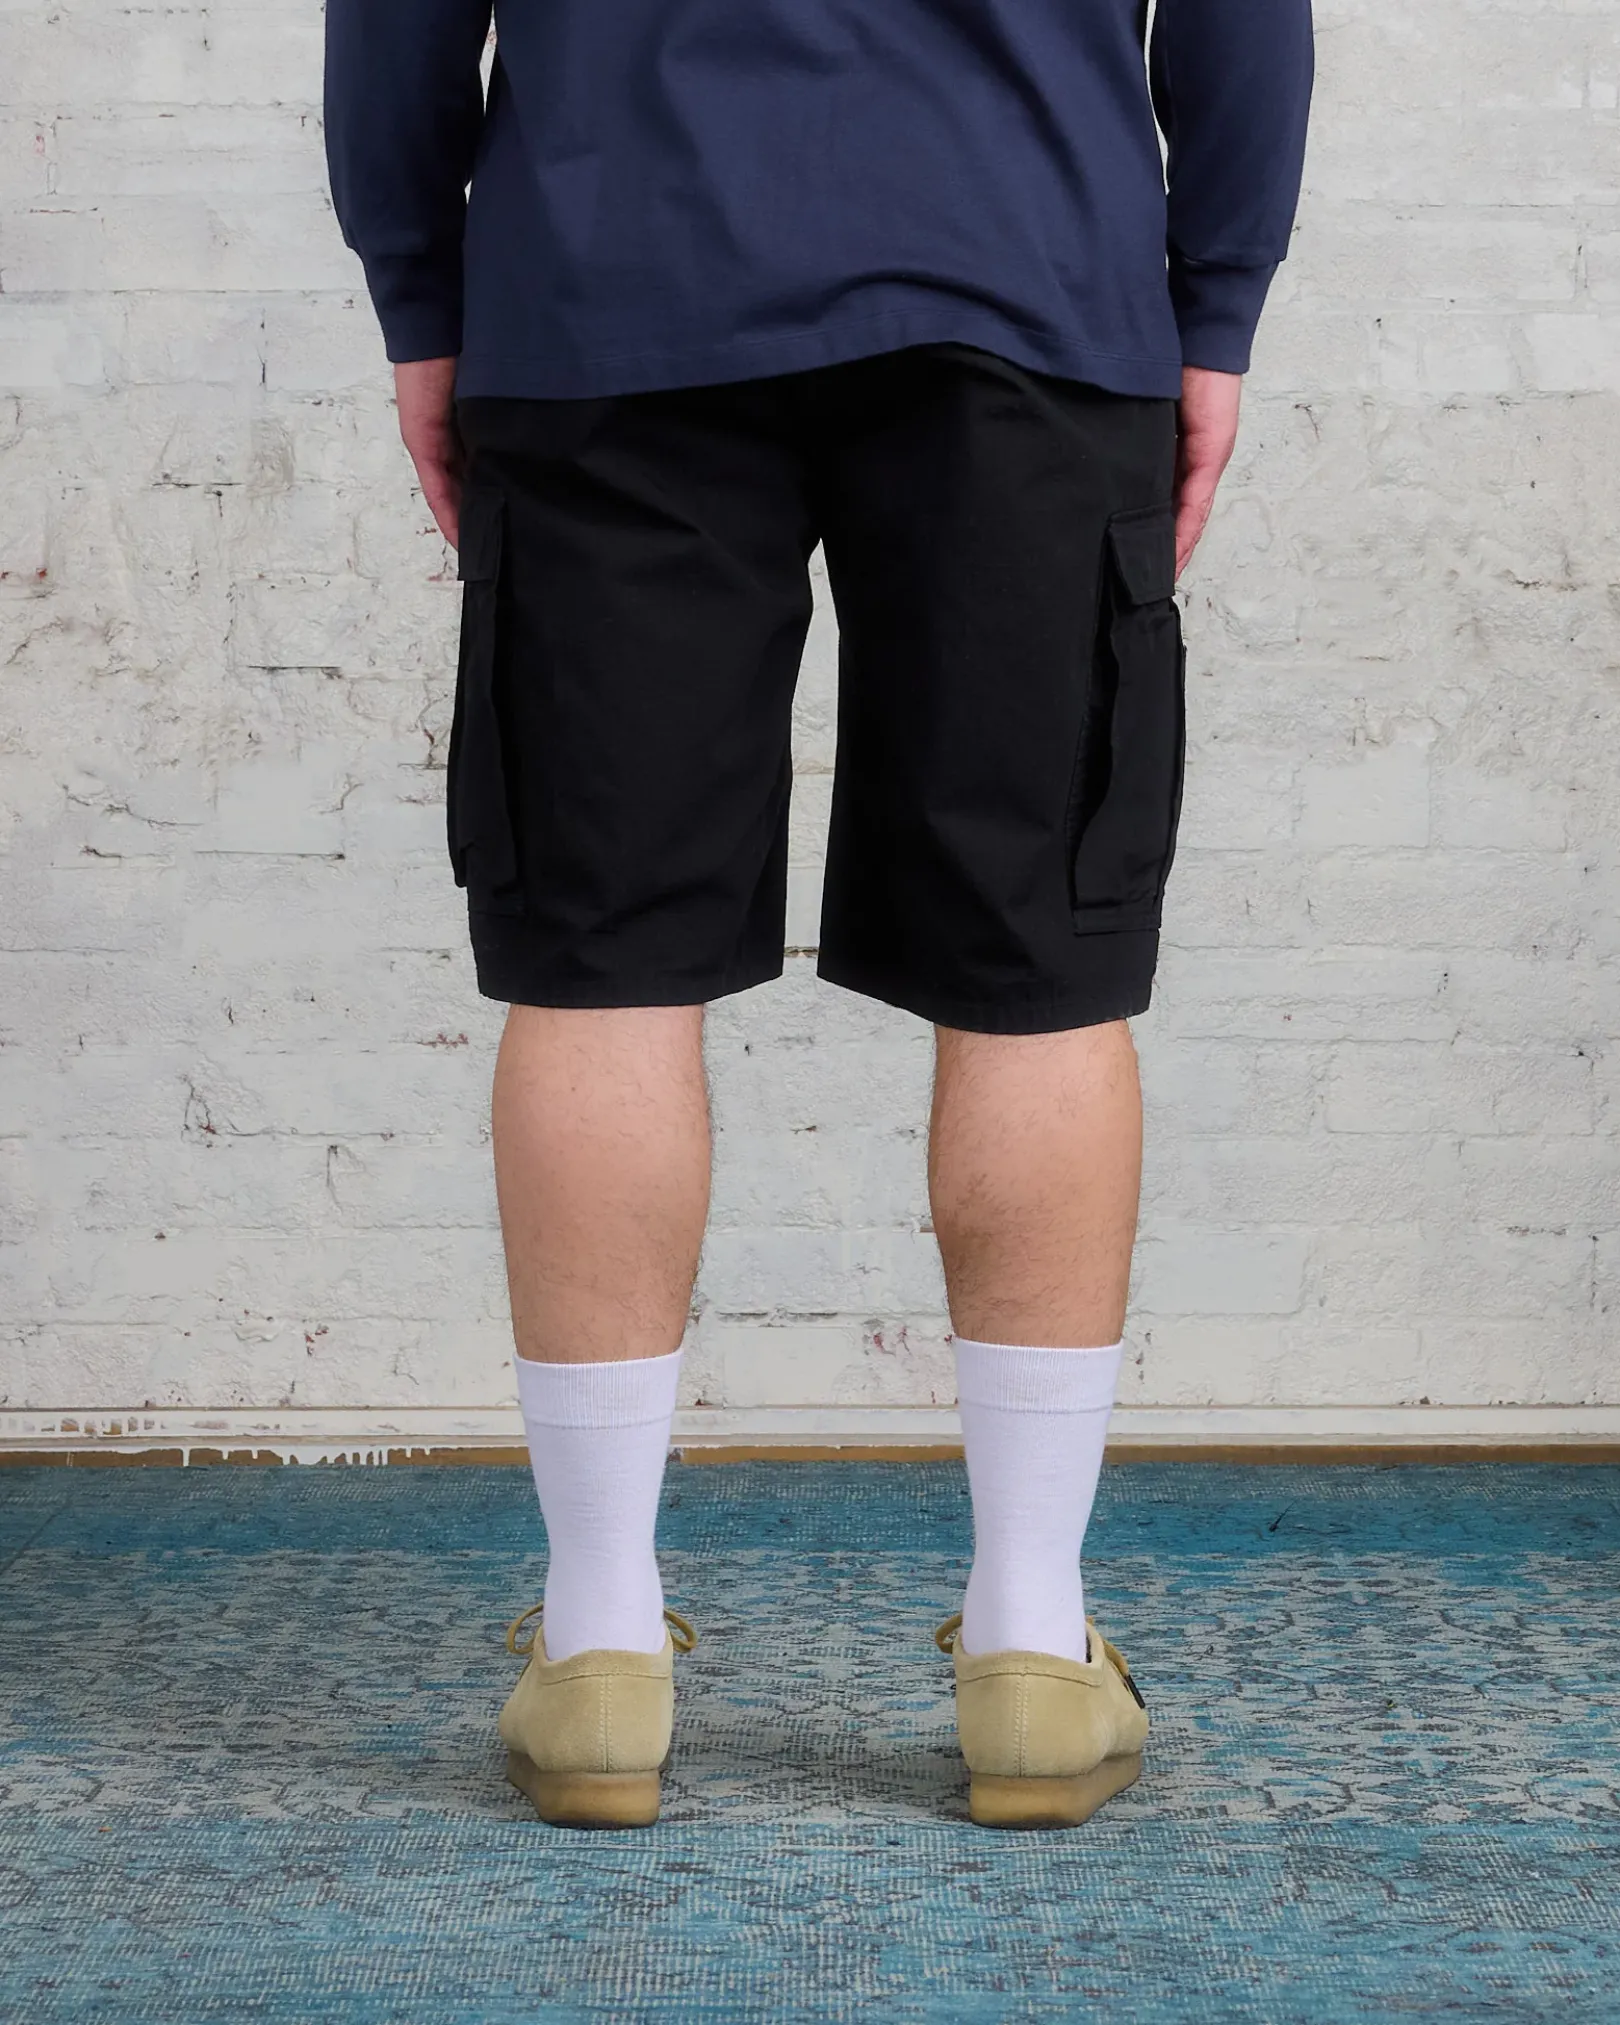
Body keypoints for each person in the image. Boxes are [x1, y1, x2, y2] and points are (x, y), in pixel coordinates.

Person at [325, 0, 1313, 1831]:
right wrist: (1216, 301)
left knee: (602, 967)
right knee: (1033, 970)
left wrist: (422, 290)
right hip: (1028, 272)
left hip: (607, 282)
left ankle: (599, 1649)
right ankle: (1032, 1650)